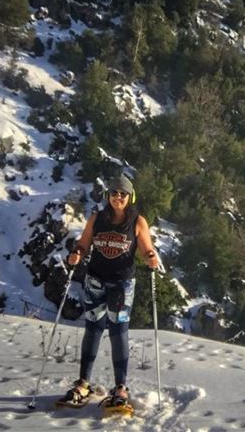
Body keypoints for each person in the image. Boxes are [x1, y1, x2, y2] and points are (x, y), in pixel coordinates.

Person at [60, 173, 160, 409]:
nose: (118, 197)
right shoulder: (97, 219)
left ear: (130, 196)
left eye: (123, 194)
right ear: (108, 195)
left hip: (122, 286)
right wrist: (77, 253)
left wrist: (150, 258)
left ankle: (121, 388)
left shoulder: (137, 222)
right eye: (114, 193)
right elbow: (84, 243)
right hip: (95, 281)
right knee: (93, 329)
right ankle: (83, 383)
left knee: (118, 332)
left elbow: (147, 248)